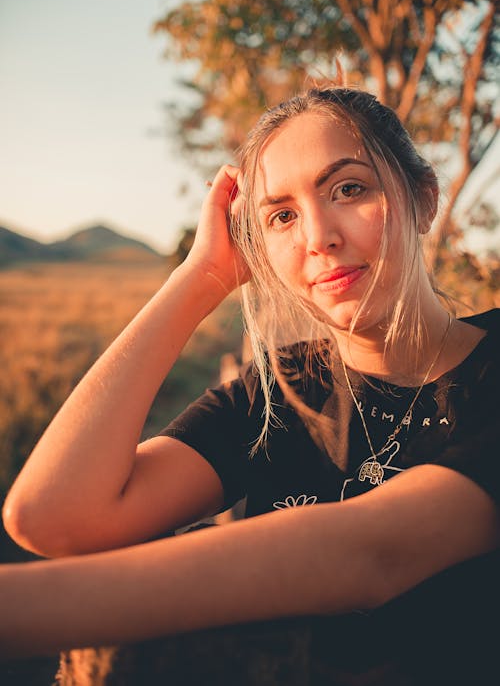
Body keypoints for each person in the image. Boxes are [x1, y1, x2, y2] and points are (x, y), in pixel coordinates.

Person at [1, 87, 499, 683]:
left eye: (349, 189)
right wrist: (203, 277)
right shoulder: (280, 392)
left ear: (423, 198)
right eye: (281, 216)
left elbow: (371, 554)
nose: (318, 237)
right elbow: (51, 517)